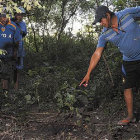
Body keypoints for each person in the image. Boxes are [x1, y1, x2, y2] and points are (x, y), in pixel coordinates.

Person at [80, 5, 140, 125]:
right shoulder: (105, 34)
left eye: (101, 20)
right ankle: (130, 117)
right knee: (127, 88)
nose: (101, 24)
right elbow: (97, 53)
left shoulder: (127, 14)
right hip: (128, 62)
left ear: (107, 15)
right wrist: (88, 73)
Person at [0, 12, 21, 96]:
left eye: (4, 17)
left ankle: (6, 91)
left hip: (8, 55)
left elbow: (17, 41)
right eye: (1, 17)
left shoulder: (13, 26)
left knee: (6, 72)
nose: (3, 19)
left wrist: (15, 53)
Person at [11, 7, 27, 90]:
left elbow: (24, 34)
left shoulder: (23, 24)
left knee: (18, 68)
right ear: (15, 14)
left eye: (22, 15)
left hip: (20, 48)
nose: (20, 16)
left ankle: (16, 86)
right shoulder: (10, 21)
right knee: (8, 66)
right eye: (19, 14)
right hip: (10, 48)